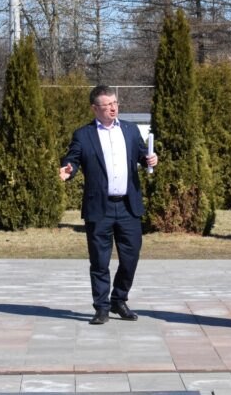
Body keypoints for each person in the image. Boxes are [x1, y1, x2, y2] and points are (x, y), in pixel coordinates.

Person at [59, 85, 159, 325]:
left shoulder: (130, 130)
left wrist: (150, 159)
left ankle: (119, 298)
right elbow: (72, 159)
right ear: (95, 109)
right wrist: (68, 169)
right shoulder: (83, 135)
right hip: (99, 208)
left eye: (115, 103)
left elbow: (142, 155)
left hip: (128, 206)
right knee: (100, 261)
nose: (113, 108)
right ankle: (101, 307)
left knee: (130, 257)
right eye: (107, 105)